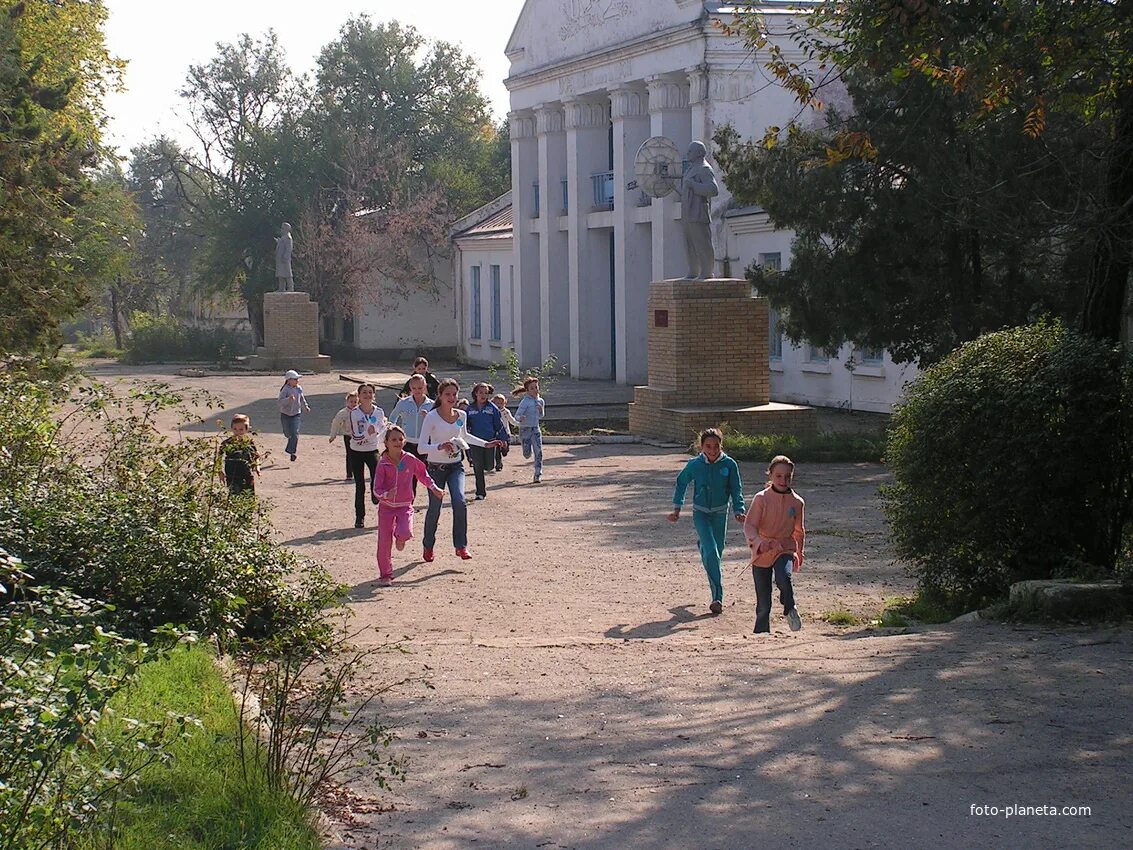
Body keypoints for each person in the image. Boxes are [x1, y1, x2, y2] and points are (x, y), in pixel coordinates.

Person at [417, 378, 506, 561]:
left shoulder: (461, 415)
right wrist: (440, 446)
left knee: (460, 502)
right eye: (447, 394)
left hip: (456, 466)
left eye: (454, 394)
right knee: (434, 508)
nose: (451, 397)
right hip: (435, 469)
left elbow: (465, 436)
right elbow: (421, 448)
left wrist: (486, 444)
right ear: (440, 396)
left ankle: (461, 546)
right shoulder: (432, 417)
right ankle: (428, 545)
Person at [667, 428, 746, 615]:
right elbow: (681, 482)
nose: (712, 450)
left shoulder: (729, 464)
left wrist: (739, 510)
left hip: (720, 514)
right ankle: (717, 597)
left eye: (716, 446)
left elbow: (736, 489)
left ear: (721, 446)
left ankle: (702, 546)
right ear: (701, 447)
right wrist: (677, 508)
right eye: (708, 446)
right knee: (712, 553)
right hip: (701, 513)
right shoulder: (695, 464)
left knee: (716, 553)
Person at [372, 425, 445, 586]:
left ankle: (401, 538)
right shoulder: (382, 464)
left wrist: (434, 488)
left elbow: (423, 474)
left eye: (400, 439)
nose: (397, 442)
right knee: (384, 542)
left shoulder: (410, 459)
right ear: (386, 443)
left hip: (405, 505)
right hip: (386, 507)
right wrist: (385, 494)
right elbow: (376, 488)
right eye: (393, 439)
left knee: (405, 532)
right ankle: (386, 574)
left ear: (404, 441)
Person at [743, 455, 805, 633]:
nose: (783, 480)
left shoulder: (797, 502)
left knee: (783, 578)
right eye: (778, 476)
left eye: (787, 476)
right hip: (762, 552)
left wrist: (799, 552)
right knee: (763, 603)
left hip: (784, 548)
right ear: (770, 475)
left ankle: (790, 608)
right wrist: (759, 543)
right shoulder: (761, 498)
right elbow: (750, 525)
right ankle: (761, 635)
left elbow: (799, 530)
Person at [388, 374, 434, 496]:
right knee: (409, 474)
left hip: (425, 443)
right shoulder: (403, 403)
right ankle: (409, 502)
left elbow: (437, 424)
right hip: (407, 443)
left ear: (424, 387)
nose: (417, 391)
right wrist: (393, 435)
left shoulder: (432, 405)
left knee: (427, 474)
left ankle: (434, 500)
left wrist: (428, 417)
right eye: (414, 388)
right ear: (410, 388)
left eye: (420, 388)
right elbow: (392, 419)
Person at [680, 141, 720, 279]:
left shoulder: (704, 169)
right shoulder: (691, 169)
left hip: (698, 213)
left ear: (698, 153)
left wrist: (694, 185)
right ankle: (693, 271)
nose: (688, 154)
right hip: (688, 213)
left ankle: (707, 271)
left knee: (702, 243)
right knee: (689, 244)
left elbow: (713, 190)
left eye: (690, 151)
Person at [348, 383, 386, 529]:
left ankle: (375, 494)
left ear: (374, 395)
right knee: (359, 485)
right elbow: (355, 435)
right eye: (364, 392)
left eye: (370, 392)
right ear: (359, 396)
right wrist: (367, 433)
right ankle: (360, 517)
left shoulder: (379, 412)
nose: (368, 395)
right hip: (356, 450)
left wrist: (377, 431)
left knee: (377, 477)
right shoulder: (354, 413)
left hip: (372, 449)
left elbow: (382, 429)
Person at [465, 382, 510, 500]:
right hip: (475, 442)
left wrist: (503, 439)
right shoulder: (470, 409)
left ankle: (492, 464)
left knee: (489, 466)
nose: (483, 395)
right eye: (481, 392)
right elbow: (464, 425)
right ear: (475, 393)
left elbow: (498, 424)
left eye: (486, 393)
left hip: (490, 441)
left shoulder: (492, 408)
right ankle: (480, 492)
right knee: (477, 466)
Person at [513, 376, 545, 483]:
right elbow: (517, 416)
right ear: (527, 390)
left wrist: (541, 410)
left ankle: (537, 474)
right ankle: (526, 450)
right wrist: (520, 418)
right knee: (527, 454)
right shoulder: (525, 402)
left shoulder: (541, 401)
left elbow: (541, 416)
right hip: (525, 429)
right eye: (532, 388)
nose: (535, 390)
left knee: (539, 451)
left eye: (536, 387)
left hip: (535, 429)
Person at [218, 413, 260, 495]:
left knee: (248, 497)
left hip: (247, 474)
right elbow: (219, 457)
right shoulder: (227, 443)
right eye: (235, 429)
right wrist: (220, 472)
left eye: (241, 429)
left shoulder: (249, 442)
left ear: (246, 430)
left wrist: (257, 466)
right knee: (234, 496)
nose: (237, 432)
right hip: (232, 475)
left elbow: (256, 455)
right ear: (231, 428)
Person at [278, 369, 310, 462]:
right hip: (285, 414)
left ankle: (292, 452)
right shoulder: (285, 390)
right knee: (287, 433)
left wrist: (306, 407)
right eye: (295, 379)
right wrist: (288, 399)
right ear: (289, 380)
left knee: (295, 433)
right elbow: (280, 402)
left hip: (296, 414)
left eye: (297, 379)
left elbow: (302, 399)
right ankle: (289, 439)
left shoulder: (299, 388)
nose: (297, 381)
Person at [328, 390, 359, 481]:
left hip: (359, 437)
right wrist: (333, 435)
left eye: (355, 402)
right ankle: (349, 474)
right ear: (347, 402)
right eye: (351, 402)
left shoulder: (360, 411)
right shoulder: (343, 413)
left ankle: (357, 472)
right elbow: (336, 423)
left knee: (358, 455)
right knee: (350, 454)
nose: (353, 404)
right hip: (348, 436)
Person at [491, 392, 518, 472]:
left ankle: (505, 450)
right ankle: (499, 464)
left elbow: (511, 420)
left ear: (505, 403)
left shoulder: (506, 412)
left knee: (505, 448)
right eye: (497, 403)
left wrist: (519, 424)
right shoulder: (492, 412)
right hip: (496, 434)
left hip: (506, 433)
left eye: (501, 403)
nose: (499, 405)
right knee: (497, 450)